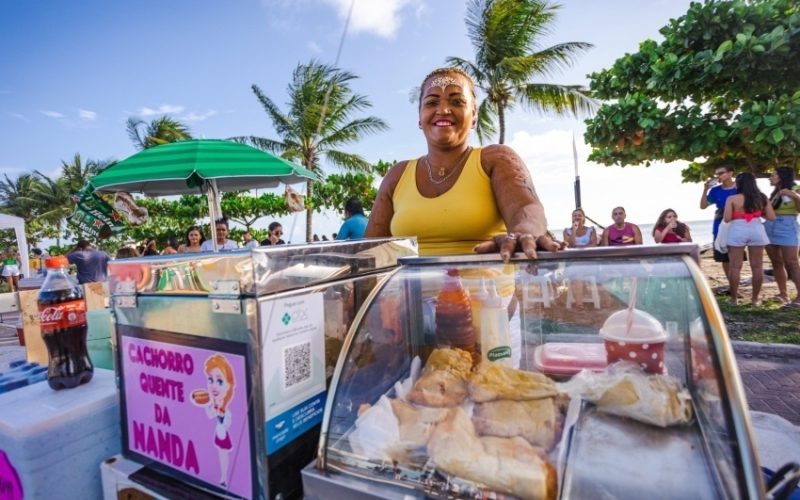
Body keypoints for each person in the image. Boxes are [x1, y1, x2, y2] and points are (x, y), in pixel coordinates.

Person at [364, 66, 556, 259]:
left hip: (487, 289)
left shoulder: (496, 159)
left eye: (457, 102)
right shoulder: (397, 175)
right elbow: (370, 251)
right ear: (420, 118)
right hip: (410, 289)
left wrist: (523, 232)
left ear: (474, 116)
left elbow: (525, 208)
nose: (443, 110)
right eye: (431, 103)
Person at [723, 173, 776, 306]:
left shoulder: (732, 198)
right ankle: (755, 299)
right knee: (757, 267)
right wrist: (757, 213)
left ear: (739, 184)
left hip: (738, 229)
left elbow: (727, 219)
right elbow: (771, 217)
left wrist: (739, 213)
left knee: (735, 267)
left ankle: (734, 299)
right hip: (756, 229)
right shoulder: (761, 198)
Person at [764, 166, 800, 307]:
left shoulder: (794, 188)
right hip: (770, 224)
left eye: (773, 175)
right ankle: (783, 294)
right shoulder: (775, 192)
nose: (771, 178)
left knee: (791, 262)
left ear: (782, 177)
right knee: (776, 262)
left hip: (787, 225)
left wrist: (795, 196)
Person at [200, 354, 236, 488]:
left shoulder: (227, 410)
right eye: (210, 380)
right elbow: (210, 415)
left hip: (223, 434)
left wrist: (222, 417)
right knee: (221, 455)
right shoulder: (214, 405)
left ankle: (224, 477)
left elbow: (227, 423)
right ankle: (222, 477)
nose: (214, 386)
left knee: (223, 455)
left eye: (219, 381)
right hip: (218, 433)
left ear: (228, 386)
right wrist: (205, 404)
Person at [701, 164, 737, 286]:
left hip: (737, 222)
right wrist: (705, 189)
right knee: (724, 257)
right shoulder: (715, 190)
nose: (719, 176)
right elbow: (703, 206)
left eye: (721, 173)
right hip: (720, 223)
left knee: (736, 257)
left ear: (731, 173)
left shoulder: (740, 187)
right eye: (717, 174)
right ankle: (732, 285)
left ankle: (735, 283)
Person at [562, 208, 598, 310]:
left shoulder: (591, 230)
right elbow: (570, 245)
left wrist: (578, 248)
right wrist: (574, 230)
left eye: (579, 215)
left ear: (584, 218)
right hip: (573, 263)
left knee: (578, 272)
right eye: (574, 215)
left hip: (589, 263)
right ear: (571, 218)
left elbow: (594, 245)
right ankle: (579, 304)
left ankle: (578, 304)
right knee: (578, 273)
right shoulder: (567, 231)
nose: (577, 217)